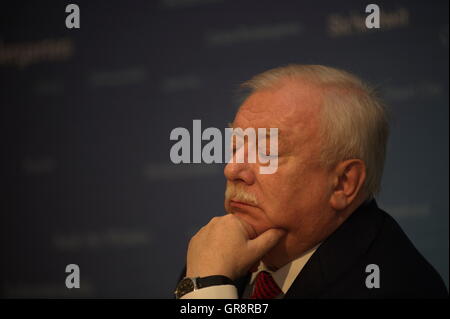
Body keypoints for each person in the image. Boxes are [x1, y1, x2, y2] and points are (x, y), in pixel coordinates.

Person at [174, 64, 448, 299]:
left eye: (267, 153)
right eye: (235, 149)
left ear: (343, 183)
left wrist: (206, 289)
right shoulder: (219, 253)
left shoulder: (392, 286)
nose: (232, 170)